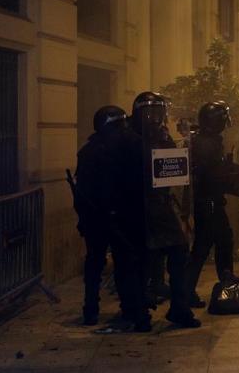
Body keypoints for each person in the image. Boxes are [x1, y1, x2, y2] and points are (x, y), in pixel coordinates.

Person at [73, 106, 150, 331]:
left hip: (97, 217)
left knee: (95, 262)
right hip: (121, 217)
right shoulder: (133, 143)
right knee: (126, 264)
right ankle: (132, 310)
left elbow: (82, 190)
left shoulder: (88, 150)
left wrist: (84, 217)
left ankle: (91, 310)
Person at [130, 91, 200, 328]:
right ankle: (140, 313)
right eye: (151, 112)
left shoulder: (161, 136)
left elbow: (174, 169)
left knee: (179, 252)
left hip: (160, 204)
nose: (155, 117)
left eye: (158, 112)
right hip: (140, 207)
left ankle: (178, 309)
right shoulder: (131, 139)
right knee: (144, 261)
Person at [186, 101, 237, 304]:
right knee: (203, 247)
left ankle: (226, 283)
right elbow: (210, 174)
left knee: (223, 242)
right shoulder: (207, 143)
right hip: (209, 201)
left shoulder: (207, 140)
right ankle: (187, 291)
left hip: (210, 200)